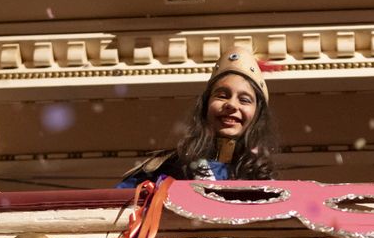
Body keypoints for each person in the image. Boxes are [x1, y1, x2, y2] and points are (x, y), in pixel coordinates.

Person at [116, 44, 278, 187]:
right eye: (222, 96)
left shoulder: (264, 181)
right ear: (205, 107)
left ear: (257, 116)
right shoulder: (167, 168)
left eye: (244, 100)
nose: (232, 105)